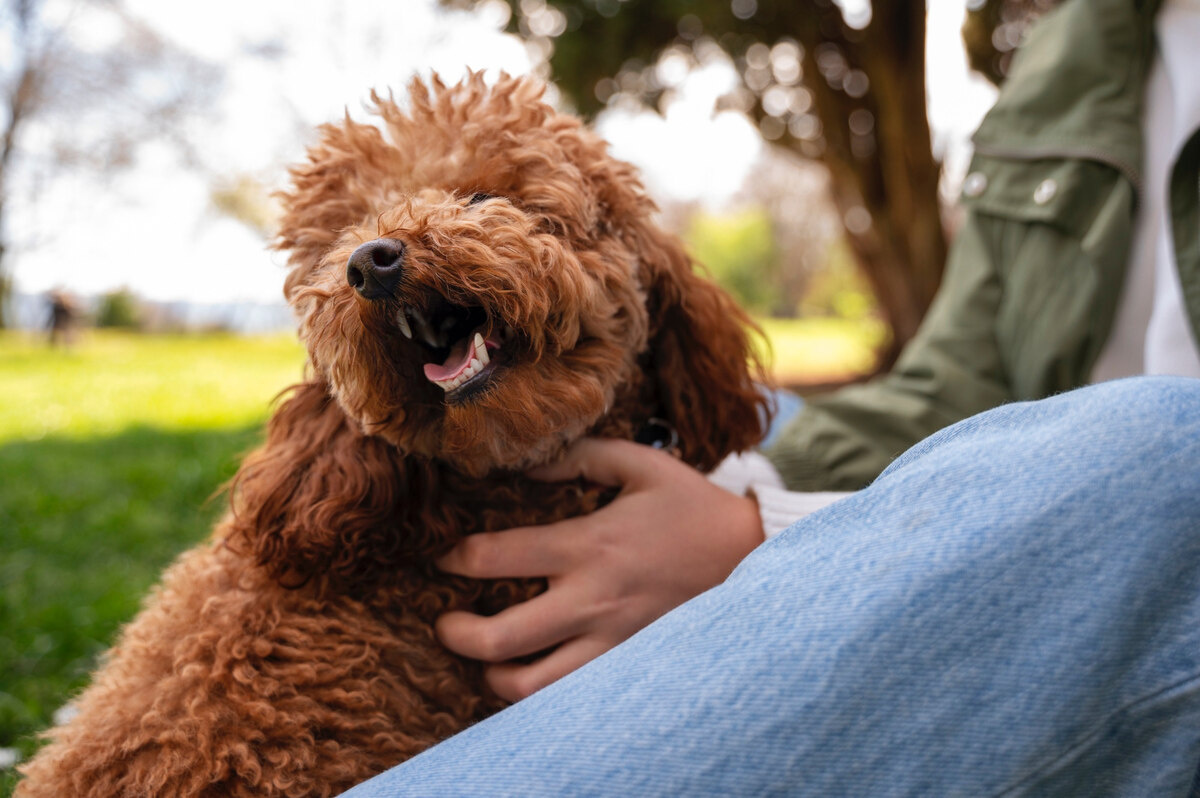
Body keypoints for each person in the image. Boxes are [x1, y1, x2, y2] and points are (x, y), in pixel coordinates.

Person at [343, 0, 1200, 793]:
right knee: (754, 412)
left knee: (1162, 449)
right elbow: (954, 384)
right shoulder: (1080, 45)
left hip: (1143, 503)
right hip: (1031, 473)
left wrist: (753, 536)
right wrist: (731, 483)